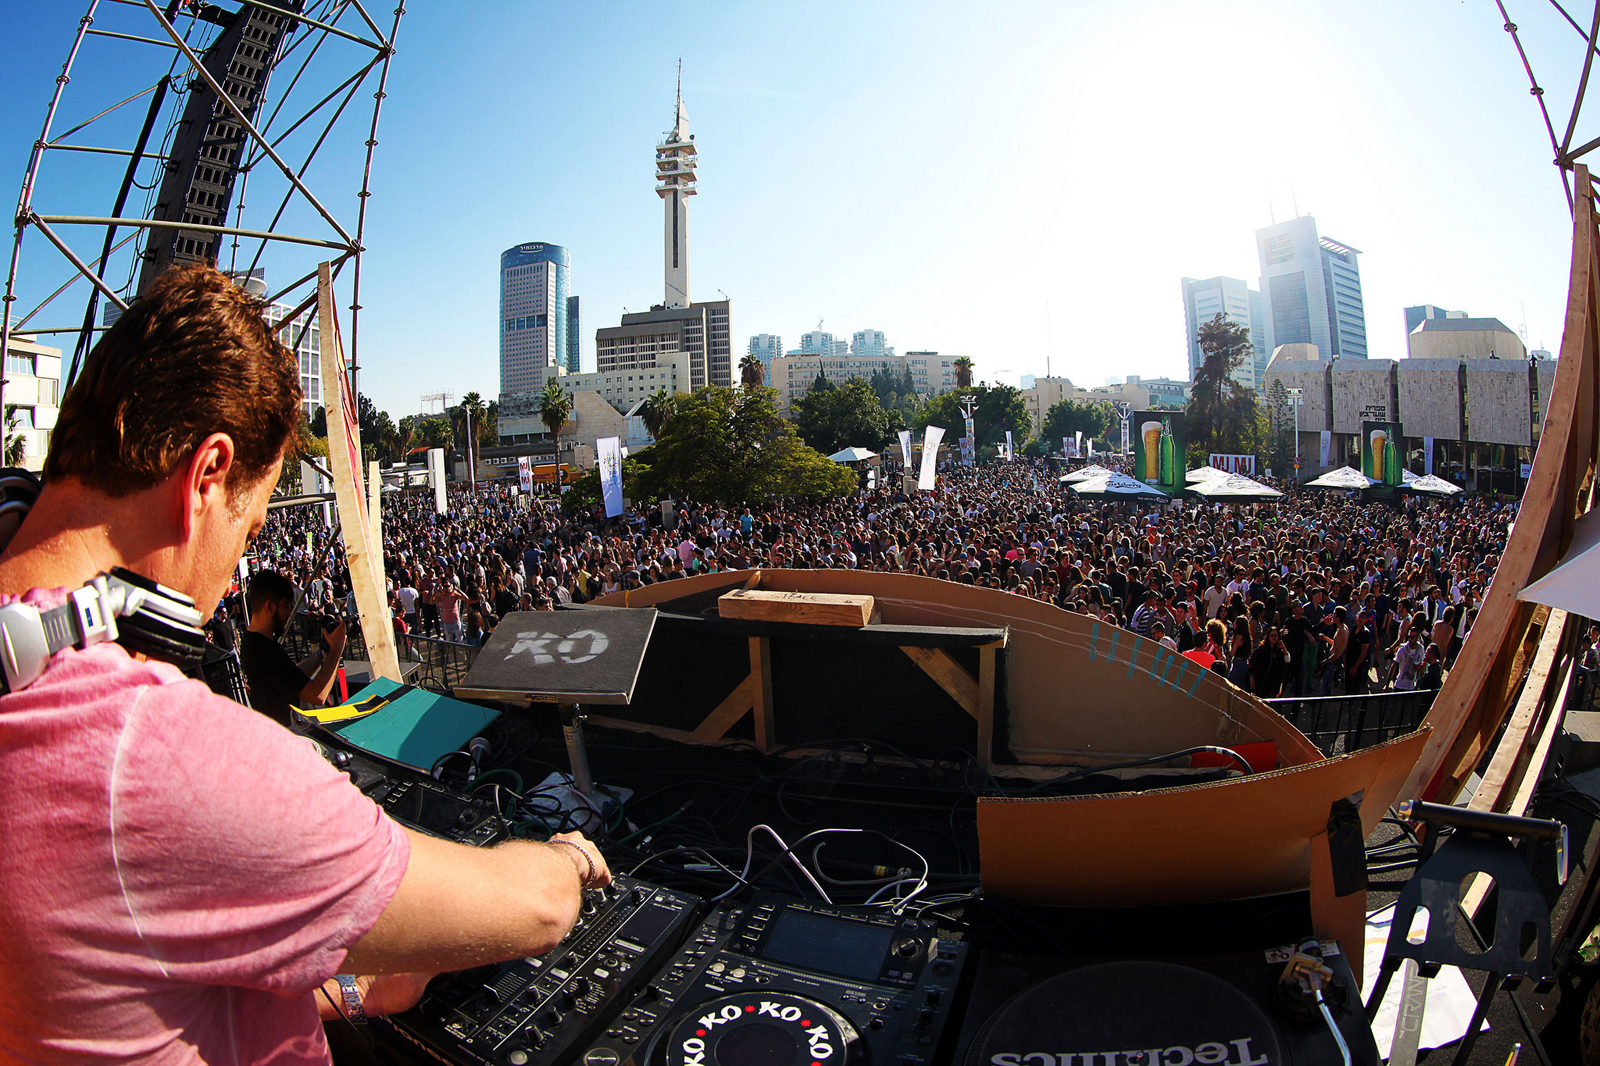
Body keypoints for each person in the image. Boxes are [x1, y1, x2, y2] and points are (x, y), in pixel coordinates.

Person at [0, 265, 610, 1062]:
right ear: (207, 476)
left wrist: (349, 988)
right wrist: (566, 856)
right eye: (250, 529)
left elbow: (115, 976)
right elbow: (531, 909)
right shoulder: (165, 758)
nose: (232, 573)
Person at [239, 567, 348, 728]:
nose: (289, 613)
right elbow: (317, 695)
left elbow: (292, 678)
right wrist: (337, 649)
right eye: (285, 607)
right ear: (269, 607)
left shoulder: (252, 641)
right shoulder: (267, 652)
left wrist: (321, 653)